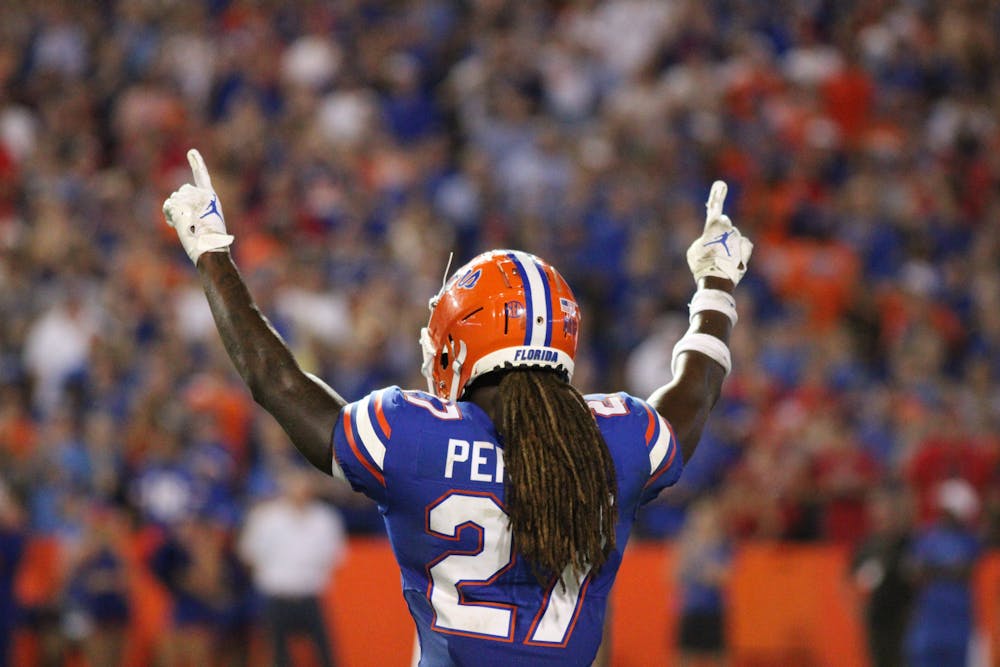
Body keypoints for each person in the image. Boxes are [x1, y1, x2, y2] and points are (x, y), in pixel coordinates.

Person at [162, 149, 752, 665]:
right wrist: (717, 285)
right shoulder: (616, 438)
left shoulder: (411, 434)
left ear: (460, 345)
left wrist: (211, 252)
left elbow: (278, 383)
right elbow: (694, 394)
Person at [238, 470, 346, 667]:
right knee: (277, 654)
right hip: (275, 596)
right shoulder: (265, 517)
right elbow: (249, 555)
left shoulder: (325, 518)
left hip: (310, 595)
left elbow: (334, 556)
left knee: (326, 654)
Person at [903, 478, 982, 667]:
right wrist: (949, 570)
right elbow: (914, 573)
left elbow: (970, 572)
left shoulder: (972, 541)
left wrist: (935, 569)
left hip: (962, 628)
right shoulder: (925, 537)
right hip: (929, 627)